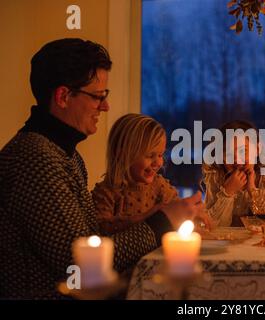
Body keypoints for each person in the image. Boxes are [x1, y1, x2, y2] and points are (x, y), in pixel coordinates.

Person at [0, 38, 207, 299]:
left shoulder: (65, 155)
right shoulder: (35, 160)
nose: (105, 106)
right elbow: (78, 263)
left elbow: (92, 237)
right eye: (98, 97)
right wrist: (162, 221)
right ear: (63, 96)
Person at [92, 113, 179, 234]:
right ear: (122, 155)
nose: (158, 162)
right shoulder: (106, 193)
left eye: (160, 155)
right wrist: (151, 215)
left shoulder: (160, 185)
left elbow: (178, 212)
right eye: (150, 155)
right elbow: (100, 230)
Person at [202, 120, 265, 227]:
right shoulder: (216, 179)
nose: (236, 159)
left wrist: (252, 191)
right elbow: (210, 225)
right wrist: (227, 192)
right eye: (228, 154)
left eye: (243, 151)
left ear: (257, 150)